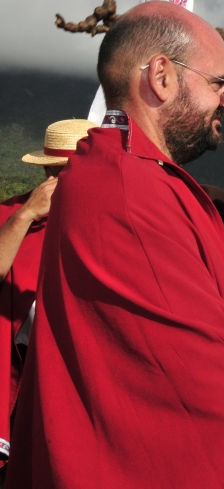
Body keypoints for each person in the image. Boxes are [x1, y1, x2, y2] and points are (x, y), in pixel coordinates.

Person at [6, 1, 224, 489]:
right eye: (220, 85)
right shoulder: (132, 194)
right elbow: (212, 377)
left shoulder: (114, 173)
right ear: (163, 77)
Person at [0, 118, 95, 465]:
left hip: (78, 374)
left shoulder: (110, 217)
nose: (57, 181)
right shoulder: (13, 213)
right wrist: (26, 215)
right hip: (19, 369)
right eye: (52, 171)